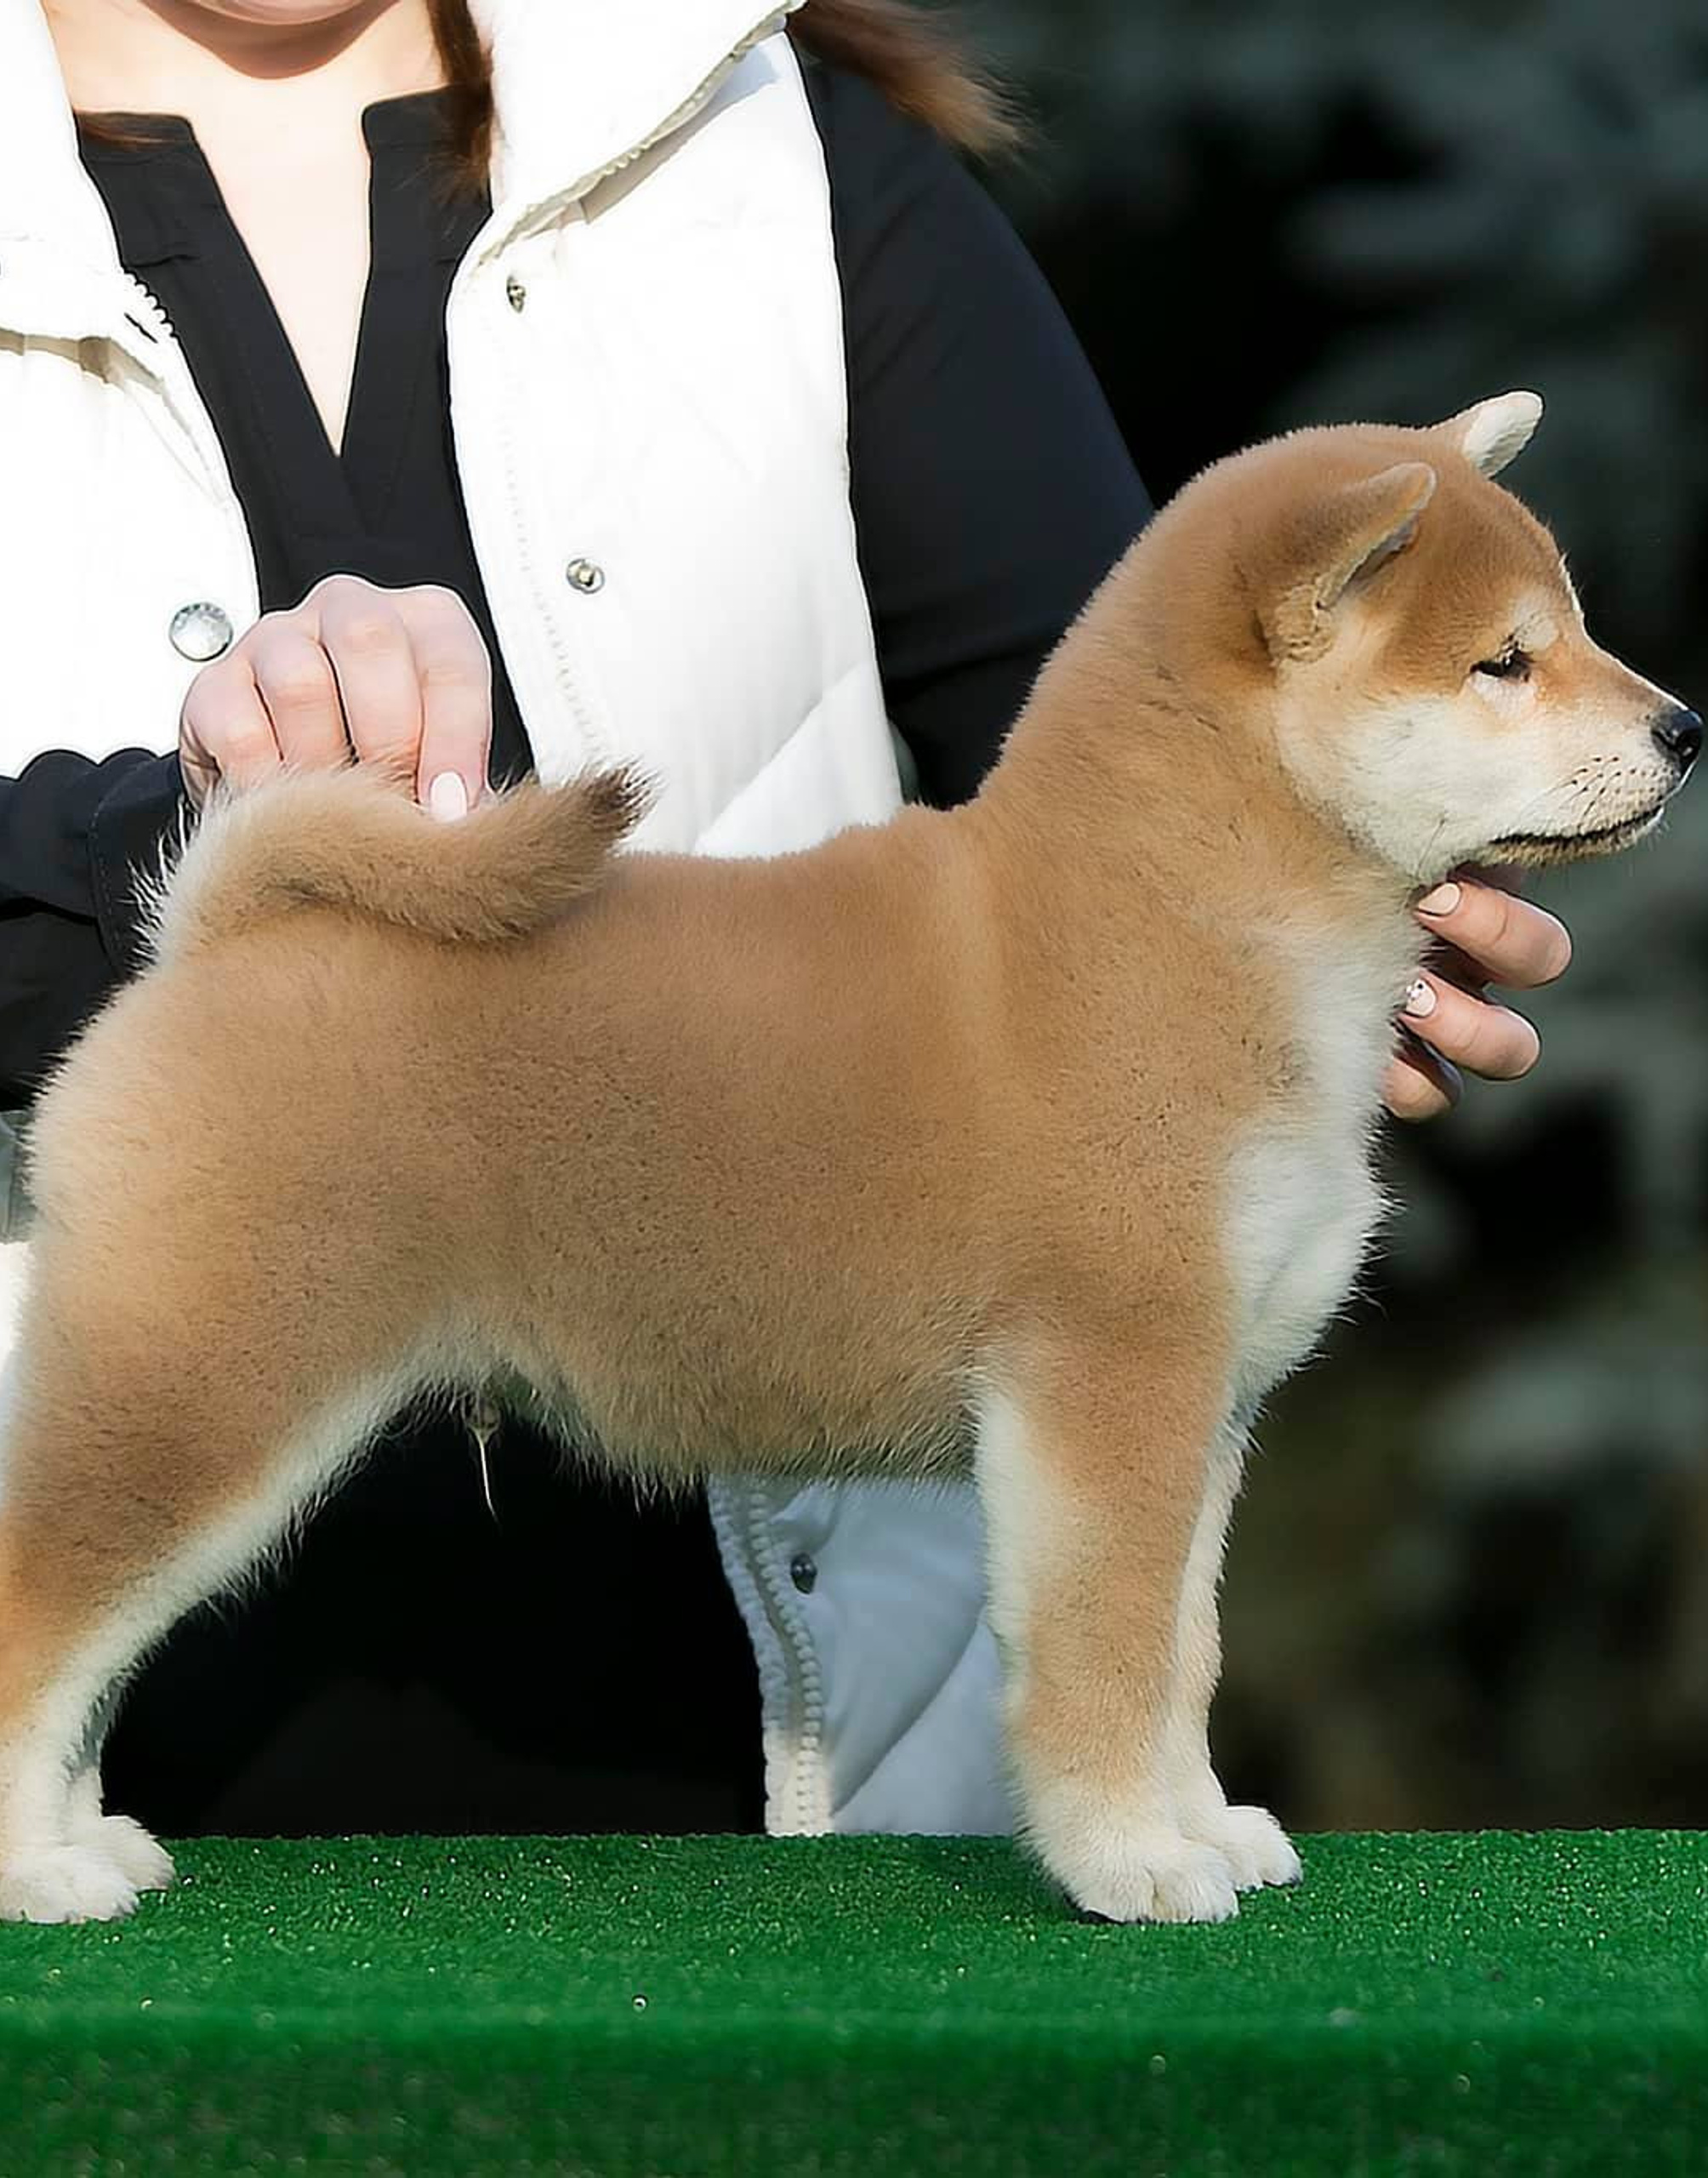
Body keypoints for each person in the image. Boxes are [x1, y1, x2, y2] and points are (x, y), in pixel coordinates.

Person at [0, 0, 1577, 1842]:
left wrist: (1360, 889)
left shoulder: (763, 134)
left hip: (780, 1714)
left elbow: (1141, 740)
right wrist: (152, 834)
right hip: (171, 1601)